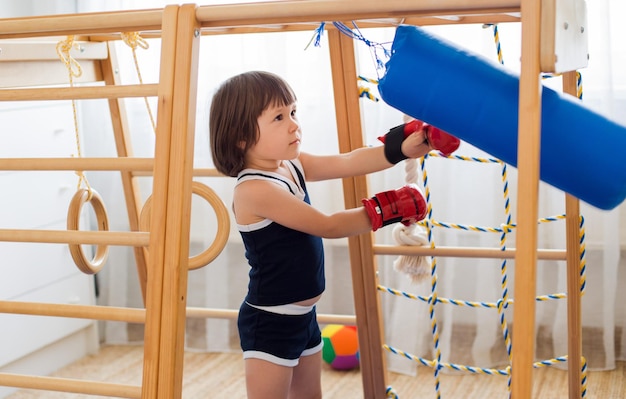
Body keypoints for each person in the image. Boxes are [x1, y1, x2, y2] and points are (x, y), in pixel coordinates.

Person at [209, 70, 458, 399]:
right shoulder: (255, 189)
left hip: (304, 317)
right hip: (270, 323)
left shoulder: (291, 165)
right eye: (279, 117)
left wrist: (402, 146)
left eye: (294, 112)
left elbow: (347, 161)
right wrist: (387, 209)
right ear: (240, 137)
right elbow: (326, 225)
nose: (294, 124)